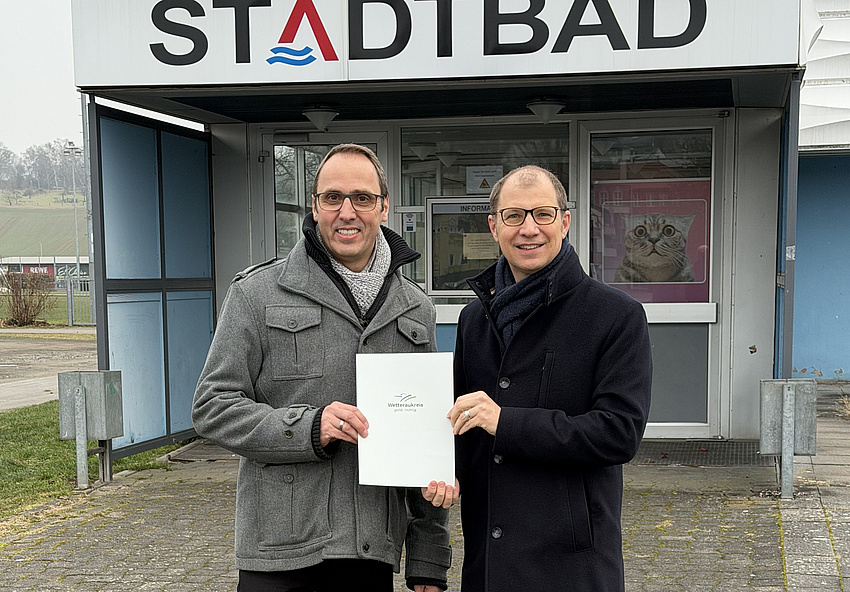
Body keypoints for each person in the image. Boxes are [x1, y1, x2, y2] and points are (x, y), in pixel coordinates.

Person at [193, 144, 455, 592]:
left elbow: (424, 439)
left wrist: (429, 555)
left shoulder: (416, 309)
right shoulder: (257, 294)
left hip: (370, 549)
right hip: (279, 551)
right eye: (332, 198)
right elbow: (213, 407)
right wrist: (310, 427)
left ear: (384, 207)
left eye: (362, 198)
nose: (347, 212)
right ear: (314, 207)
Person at [449, 165, 652, 592]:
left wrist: (506, 423)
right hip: (489, 563)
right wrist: (442, 472)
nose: (529, 229)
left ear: (564, 221)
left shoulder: (616, 316)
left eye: (542, 214)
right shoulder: (473, 320)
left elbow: (619, 433)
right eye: (513, 216)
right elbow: (461, 428)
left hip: (570, 566)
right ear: (493, 225)